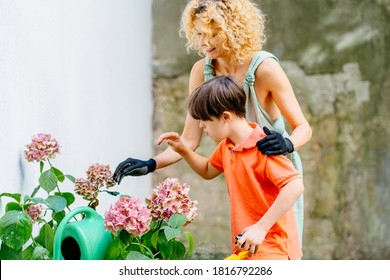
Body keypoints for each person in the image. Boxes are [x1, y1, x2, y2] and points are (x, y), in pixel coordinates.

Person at [113, 0, 311, 245]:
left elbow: (303, 128)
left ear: (232, 29)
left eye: (212, 34)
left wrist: (287, 144)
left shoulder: (265, 69)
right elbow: (189, 140)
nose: (204, 42)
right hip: (243, 173)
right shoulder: (201, 71)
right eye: (198, 34)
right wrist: (152, 163)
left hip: (275, 170)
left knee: (281, 244)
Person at [157, 75, 304, 260]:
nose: (201, 126)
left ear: (225, 117)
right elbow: (208, 170)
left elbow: (295, 186)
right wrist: (183, 150)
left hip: (273, 248)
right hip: (248, 248)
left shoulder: (263, 146)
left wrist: (260, 227)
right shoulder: (228, 145)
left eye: (204, 120)